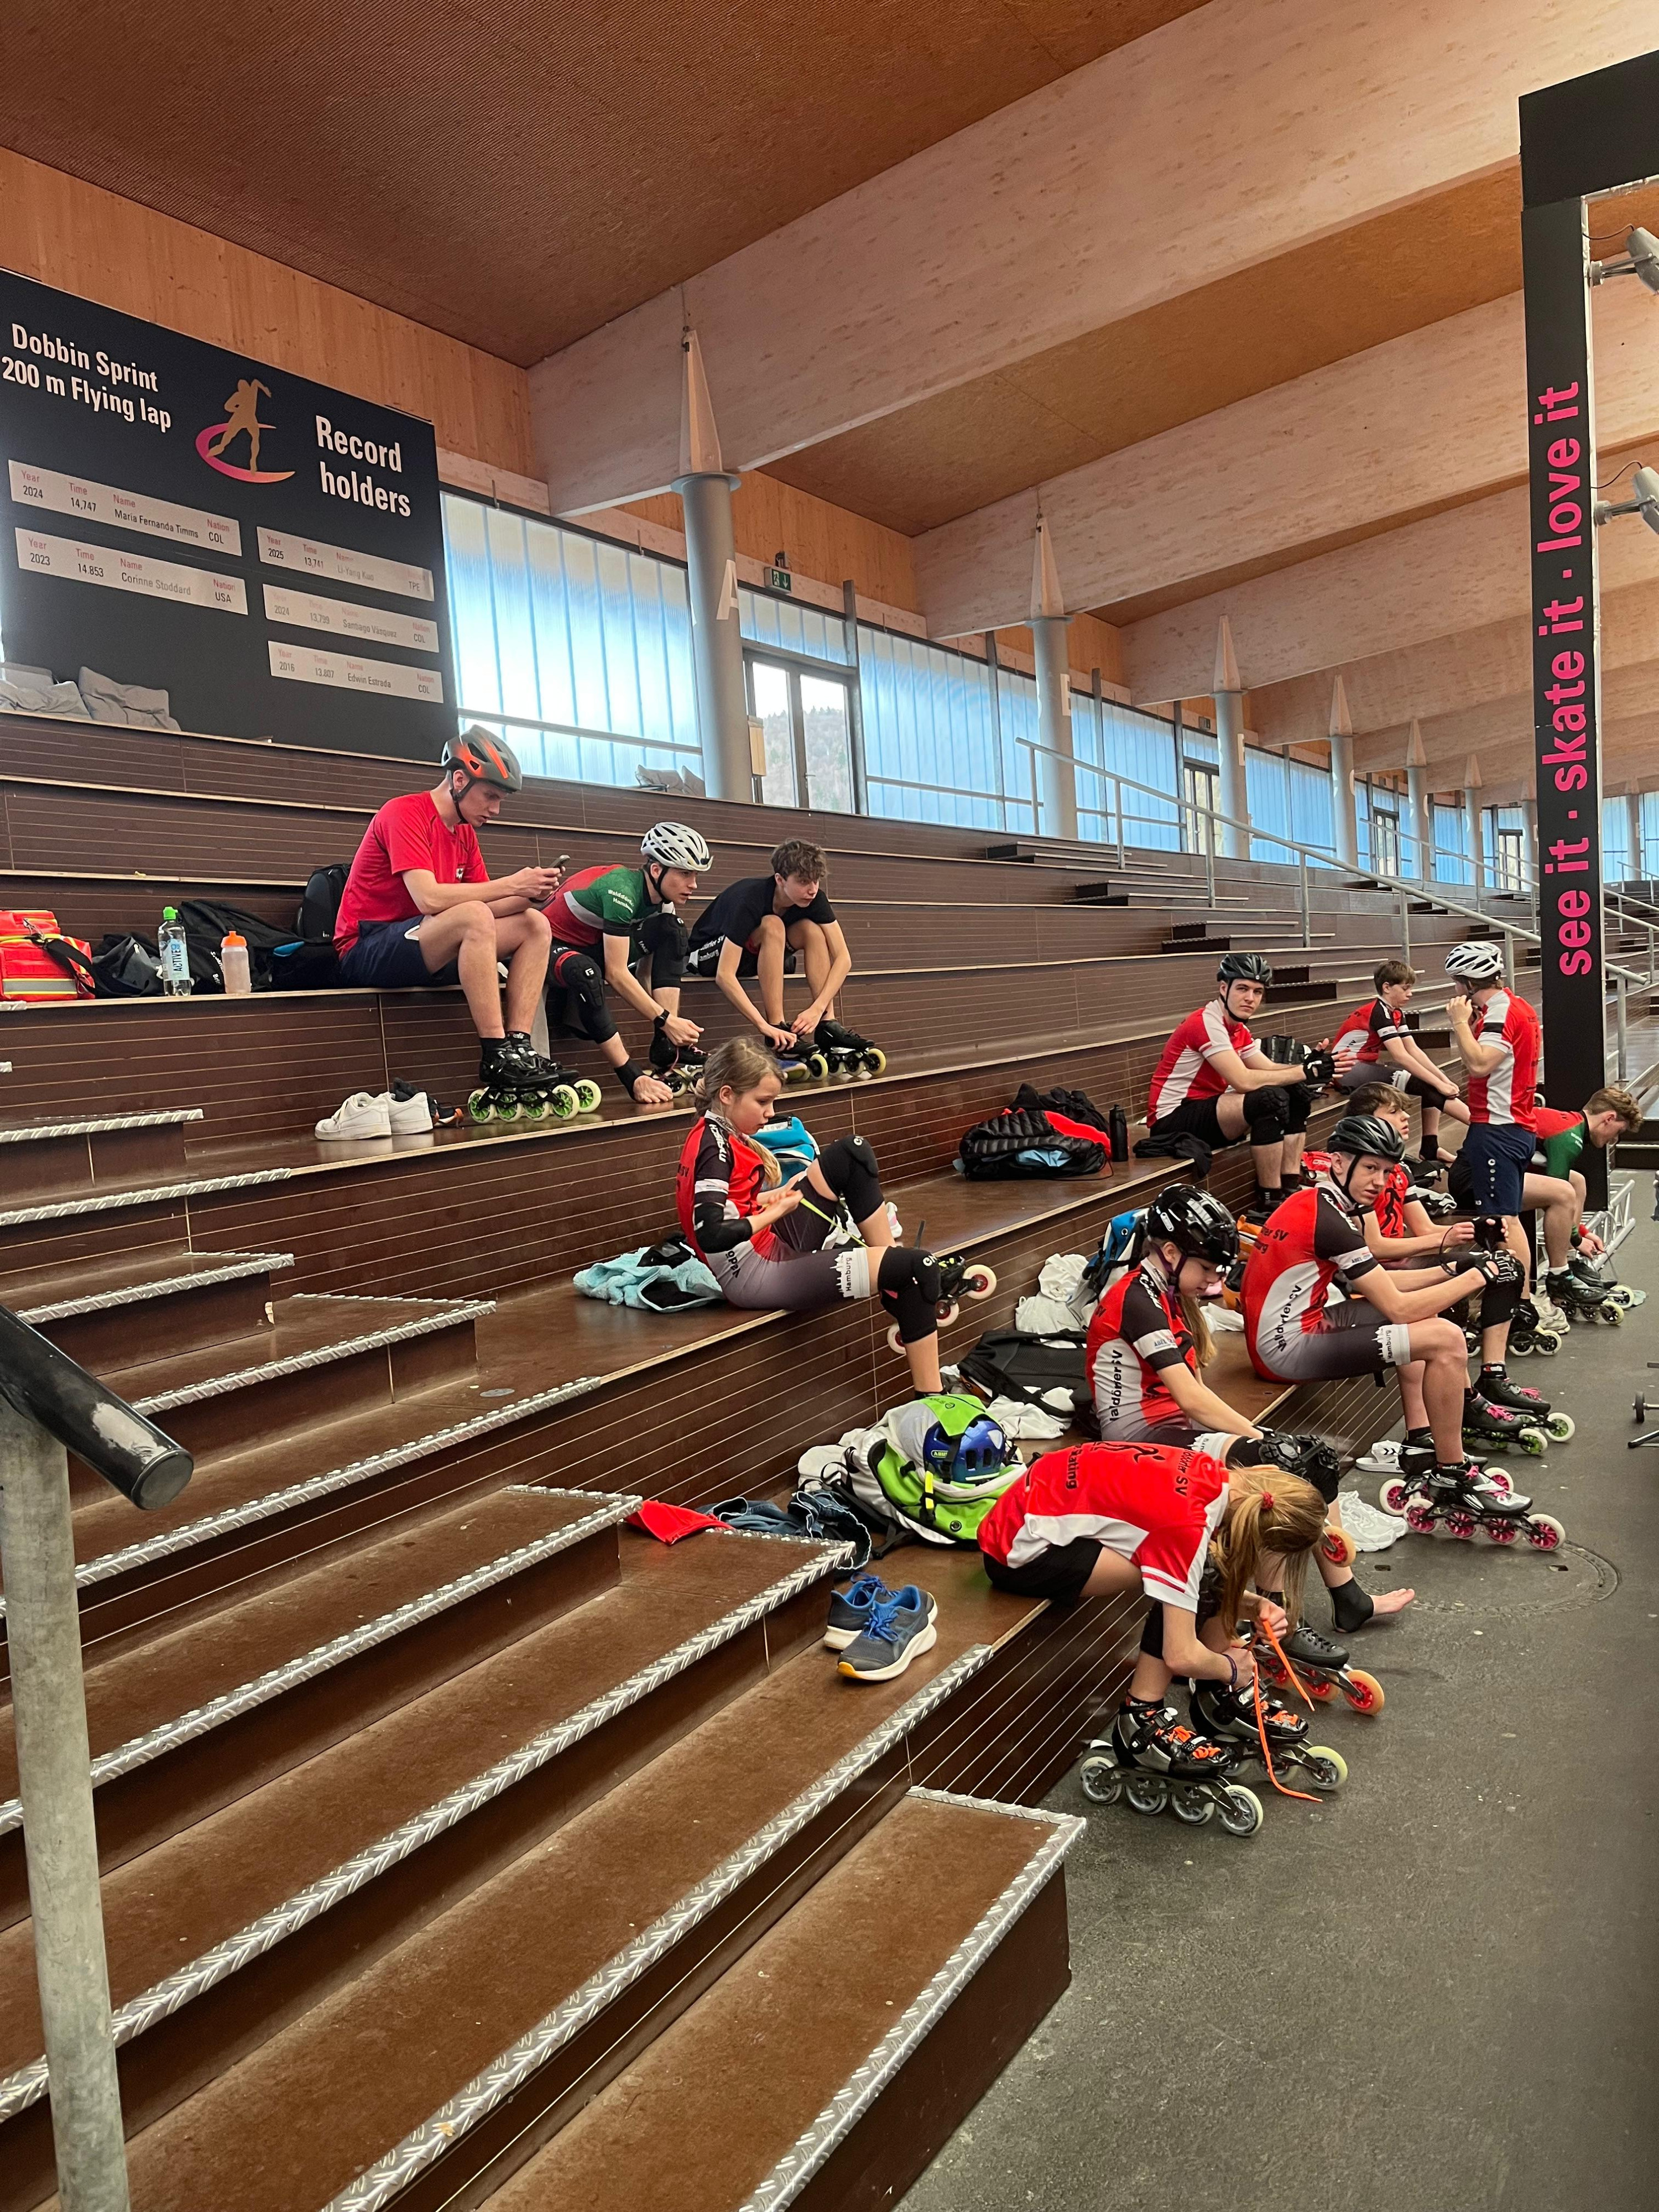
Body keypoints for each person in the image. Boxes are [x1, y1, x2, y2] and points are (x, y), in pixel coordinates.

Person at [1084, 1182, 1386, 1632]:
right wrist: (1261, 1438)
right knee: (1278, 1469)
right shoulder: (1137, 1299)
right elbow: (1191, 1398)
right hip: (1138, 1443)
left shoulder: (1166, 1293)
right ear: (1171, 1253)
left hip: (1169, 1430)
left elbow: (1195, 1392)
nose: (1213, 1281)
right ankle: (1279, 1621)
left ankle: (1347, 1597)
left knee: (1312, 1458)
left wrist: (1259, 1442)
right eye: (1206, 1269)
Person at [1243, 1110, 1535, 1541]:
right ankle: (1452, 1472)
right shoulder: (1331, 1221)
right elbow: (1397, 1307)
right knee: (1445, 1339)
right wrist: (1480, 1276)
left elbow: (1383, 1285)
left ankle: (1421, 1439)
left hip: (1304, 1324)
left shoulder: (1319, 1203)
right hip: (1287, 1348)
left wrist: (1454, 1267)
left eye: (1386, 1171)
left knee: (1429, 1323)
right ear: (1338, 1162)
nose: (1379, 1182)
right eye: (1370, 1168)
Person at [979, 1438, 1328, 1777]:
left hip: (1034, 1510)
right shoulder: (1187, 1525)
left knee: (1200, 1565)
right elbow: (1181, 1656)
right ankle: (1141, 1715)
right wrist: (1232, 1669)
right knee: (1202, 1569)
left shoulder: (1209, 1472)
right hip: (1018, 1550)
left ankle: (1219, 1695)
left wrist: (1250, 1605)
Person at [674, 1036, 964, 1397]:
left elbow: (732, 1204)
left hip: (767, 1243)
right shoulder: (714, 1149)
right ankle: (933, 1398)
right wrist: (775, 1212)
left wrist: (770, 1199)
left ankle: (893, 1279)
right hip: (754, 1275)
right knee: (918, 1268)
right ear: (728, 1095)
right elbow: (711, 1234)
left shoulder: (718, 1131)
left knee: (852, 1154)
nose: (770, 1113)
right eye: (763, 1102)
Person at [335, 727, 562, 1101]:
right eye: (490, 796)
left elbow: (489, 907)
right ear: (459, 780)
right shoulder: (404, 812)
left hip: (425, 940)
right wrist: (511, 884)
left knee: (534, 924)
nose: (496, 810)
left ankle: (519, 1048)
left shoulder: (463, 833)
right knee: (473, 916)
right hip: (366, 948)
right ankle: (495, 1053)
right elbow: (428, 898)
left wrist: (531, 895)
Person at [1145, 953, 1333, 1219]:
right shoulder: (1206, 1023)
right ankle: (1270, 1201)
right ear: (1224, 989)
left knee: (1296, 1092)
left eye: (1257, 992)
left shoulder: (1238, 1029)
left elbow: (1268, 1068)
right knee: (1269, 1099)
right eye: (1243, 989)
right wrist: (1304, 1072)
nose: (1250, 998)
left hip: (1209, 1110)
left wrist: (1308, 1067)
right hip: (1171, 1118)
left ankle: (1290, 1187)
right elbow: (1243, 1080)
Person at [543, 822, 709, 1105]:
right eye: (685, 873)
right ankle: (631, 1076)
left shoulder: (663, 901)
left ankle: (667, 1046)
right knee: (587, 973)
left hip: (592, 945)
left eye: (695, 875)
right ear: (656, 870)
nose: (693, 884)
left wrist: (666, 1024)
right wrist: (666, 1020)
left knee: (673, 930)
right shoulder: (620, 891)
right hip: (550, 946)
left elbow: (645, 975)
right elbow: (617, 973)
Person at [1442, 941, 1540, 1374]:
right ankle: (1519, 1298)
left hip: (1499, 1129)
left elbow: (1480, 1063)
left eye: (1457, 984)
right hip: (1508, 1126)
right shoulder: (1514, 1007)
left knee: (1503, 1223)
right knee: (1507, 1220)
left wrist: (1458, 1023)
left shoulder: (1500, 1011)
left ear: (1467, 983)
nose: (1455, 992)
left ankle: (1517, 1303)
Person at [685, 838, 854, 1052]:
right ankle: (777, 1028)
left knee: (812, 930)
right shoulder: (749, 899)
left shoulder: (815, 899)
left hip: (751, 955)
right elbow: (724, 975)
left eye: (816, 881)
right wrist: (763, 1026)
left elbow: (843, 959)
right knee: (773, 923)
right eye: (803, 882)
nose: (812, 890)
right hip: (707, 956)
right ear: (780, 880)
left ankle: (827, 1025)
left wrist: (817, 1009)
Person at [1329, 958, 1469, 1166]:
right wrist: (1439, 1084)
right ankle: (1482, 1126)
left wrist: (1443, 1079)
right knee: (1426, 1084)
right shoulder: (1379, 1012)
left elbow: (1413, 1050)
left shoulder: (1394, 1011)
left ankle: (1430, 1148)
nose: (1410, 994)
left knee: (1430, 1083)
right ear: (1387, 987)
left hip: (1361, 1065)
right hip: (1346, 1070)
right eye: (1405, 988)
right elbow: (1401, 1056)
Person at [1527, 1084, 1641, 1310]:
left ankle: (1570, 1263)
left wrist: (1582, 1233)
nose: (1614, 1139)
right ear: (1609, 1118)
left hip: (1515, 1166)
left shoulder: (1572, 1125)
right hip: (1488, 1174)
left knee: (1577, 1182)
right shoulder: (1569, 1138)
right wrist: (1578, 1240)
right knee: (1562, 1192)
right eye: (1618, 1132)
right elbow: (1555, 1194)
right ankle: (1560, 1277)